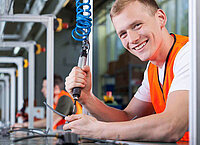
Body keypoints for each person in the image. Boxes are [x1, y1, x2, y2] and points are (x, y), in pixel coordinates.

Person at [63, 0, 190, 142]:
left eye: (137, 25)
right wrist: (87, 99)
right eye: (123, 34)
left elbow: (172, 126)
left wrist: (98, 130)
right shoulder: (153, 68)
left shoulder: (189, 54)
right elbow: (128, 118)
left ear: (160, 18)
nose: (133, 39)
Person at [13, 74, 82, 130]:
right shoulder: (56, 102)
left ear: (56, 88)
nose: (42, 90)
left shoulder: (64, 99)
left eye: (45, 87)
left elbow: (50, 122)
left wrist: (24, 125)